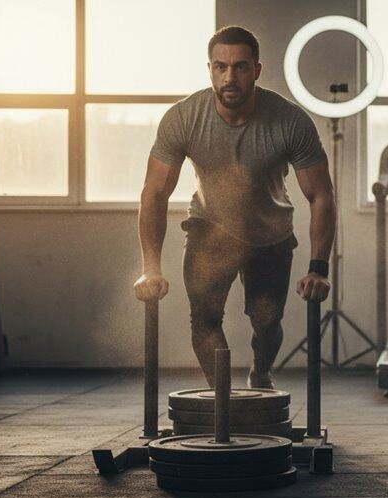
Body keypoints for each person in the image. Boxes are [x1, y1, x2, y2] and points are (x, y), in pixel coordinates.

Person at [133, 26, 336, 389]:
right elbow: (154, 193)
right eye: (221, 67)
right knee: (205, 319)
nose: (230, 77)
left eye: (241, 67)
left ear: (257, 70)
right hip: (209, 228)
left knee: (267, 323)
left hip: (270, 234)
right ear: (209, 69)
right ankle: (223, 401)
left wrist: (318, 268)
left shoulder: (290, 121)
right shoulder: (183, 118)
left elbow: (321, 194)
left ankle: (261, 373)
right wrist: (150, 268)